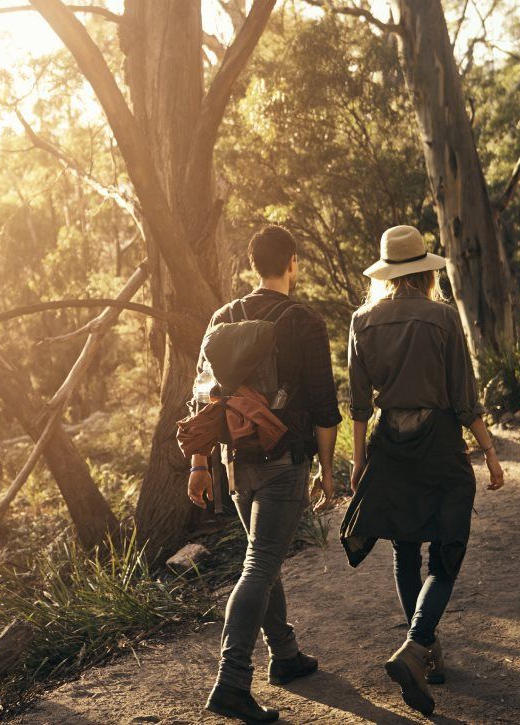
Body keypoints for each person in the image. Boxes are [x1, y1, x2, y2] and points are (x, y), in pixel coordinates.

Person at [340, 225, 506, 717]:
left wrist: (359, 462)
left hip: (388, 444)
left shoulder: (361, 320)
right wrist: (490, 452)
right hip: (438, 444)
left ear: (387, 273)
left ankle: (427, 652)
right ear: (424, 271)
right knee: (448, 550)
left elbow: (358, 404)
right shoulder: (442, 317)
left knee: (405, 547)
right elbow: (463, 396)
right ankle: (416, 649)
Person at [188, 225, 342, 723]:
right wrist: (327, 470)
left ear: (254, 265)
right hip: (283, 462)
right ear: (292, 263)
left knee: (263, 555)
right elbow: (323, 405)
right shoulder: (303, 320)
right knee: (260, 564)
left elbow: (200, 398)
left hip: (235, 465)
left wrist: (198, 464)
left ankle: (286, 655)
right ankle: (231, 682)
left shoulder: (222, 316)